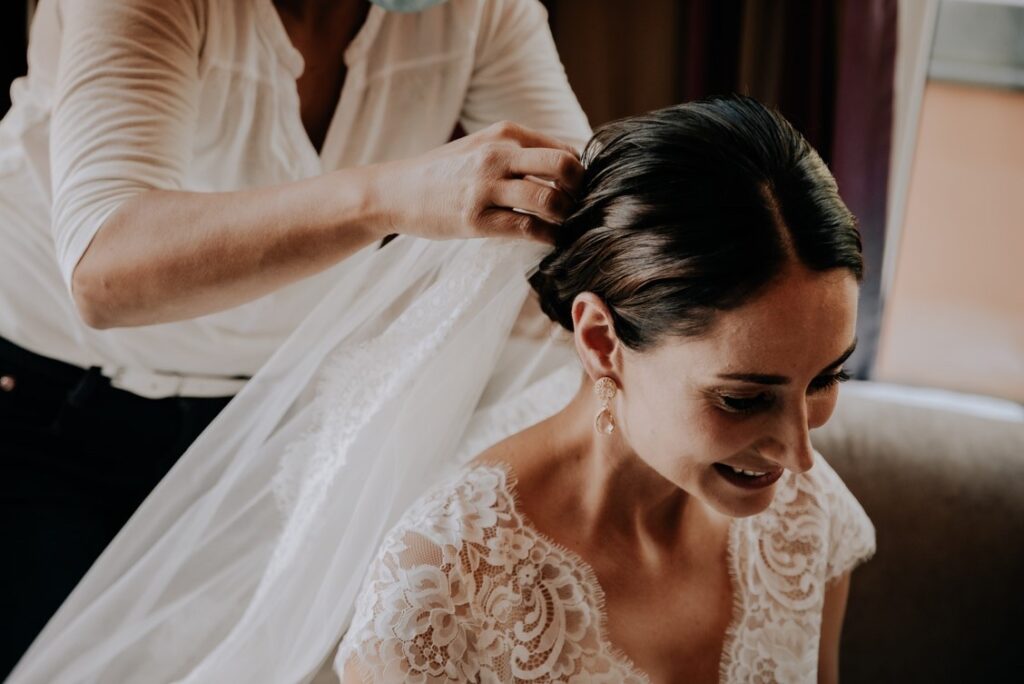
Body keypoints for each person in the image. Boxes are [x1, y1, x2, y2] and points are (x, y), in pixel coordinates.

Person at [0, 0, 590, 675]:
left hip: (264, 422)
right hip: (44, 404)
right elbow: (105, 270)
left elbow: (574, 211)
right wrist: (389, 194)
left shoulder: (479, 10)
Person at [332, 96, 876, 683]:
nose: (800, 457)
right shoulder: (437, 591)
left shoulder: (807, 515)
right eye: (742, 398)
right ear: (599, 341)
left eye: (825, 377)